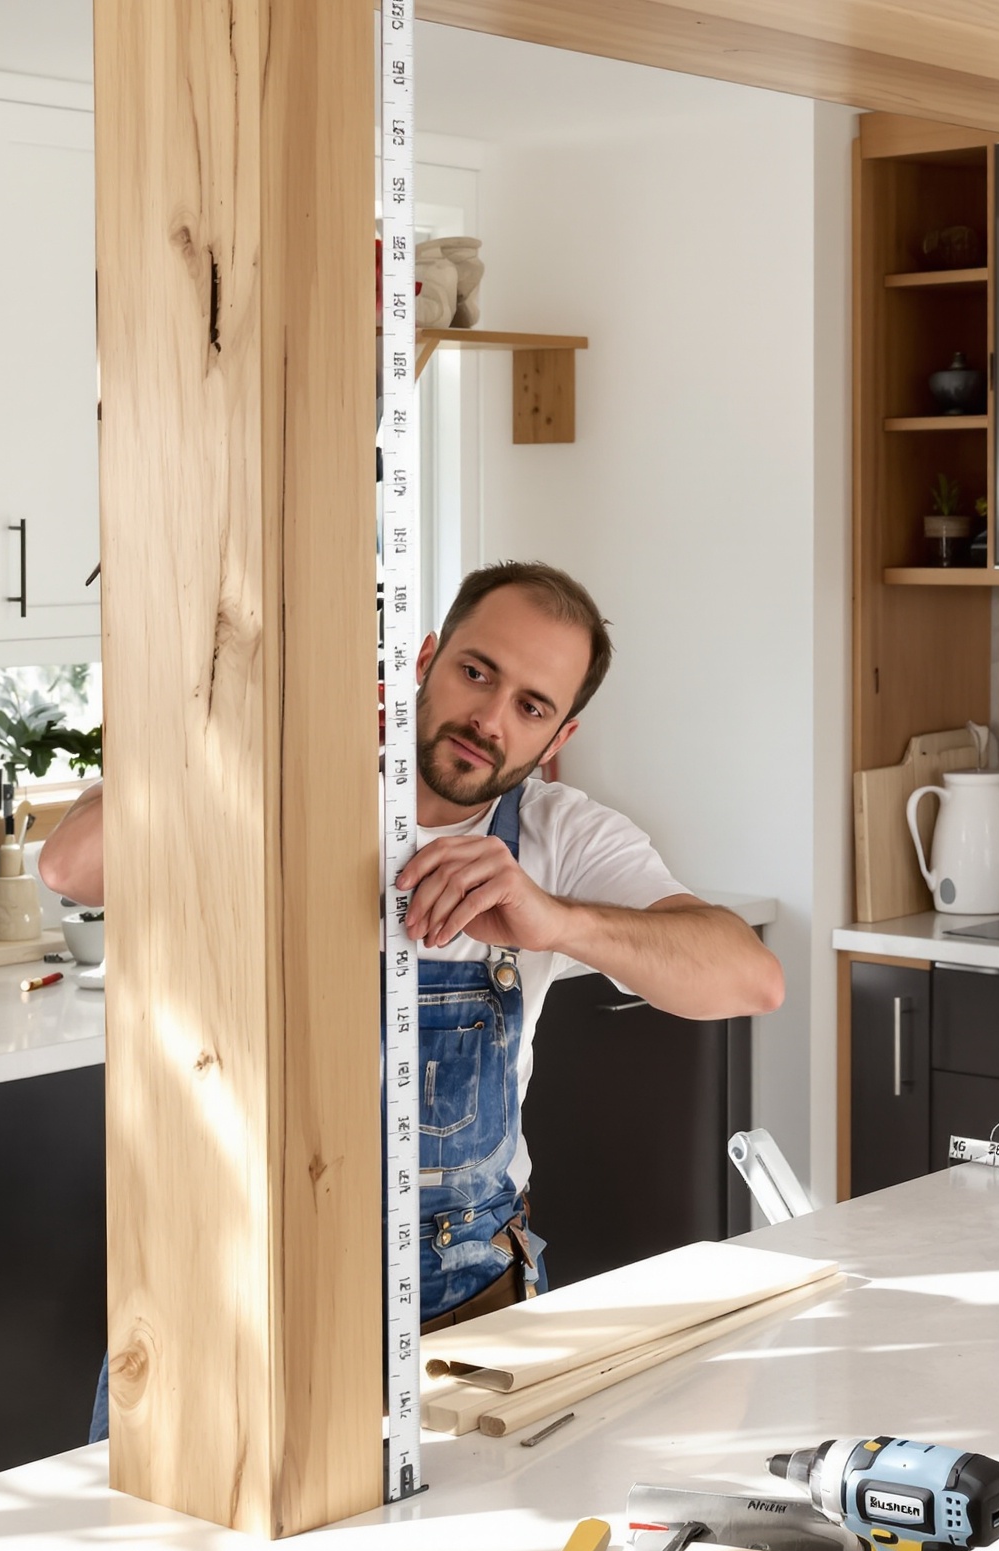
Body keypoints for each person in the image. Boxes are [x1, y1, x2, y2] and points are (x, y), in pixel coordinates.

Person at [46, 560, 785, 1437]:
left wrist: (557, 920)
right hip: (221, 1289)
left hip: (464, 1303)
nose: (490, 719)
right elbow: (73, 867)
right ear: (425, 659)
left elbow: (750, 978)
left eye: (531, 707)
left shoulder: (557, 836)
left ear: (559, 734)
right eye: (477, 672)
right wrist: (250, 734)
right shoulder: (270, 772)